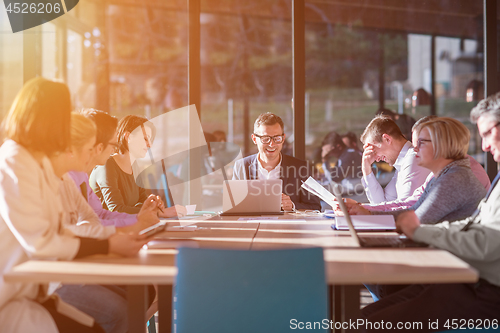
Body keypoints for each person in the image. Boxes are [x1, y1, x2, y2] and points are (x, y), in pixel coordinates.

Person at [0, 78, 149, 333]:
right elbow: (41, 242)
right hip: (12, 297)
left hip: (34, 291)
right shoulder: (14, 163)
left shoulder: (39, 164)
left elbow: (65, 229)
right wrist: (109, 244)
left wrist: (117, 237)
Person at [360, 93, 500, 332]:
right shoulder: (444, 176)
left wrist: (420, 230)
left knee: (365, 324)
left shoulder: (456, 178)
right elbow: (469, 226)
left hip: (481, 290)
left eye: (420, 143)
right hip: (464, 280)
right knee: (360, 320)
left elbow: (486, 242)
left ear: (441, 145)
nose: (413, 151)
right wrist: (368, 213)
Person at [49, 113, 159, 333]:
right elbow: (86, 225)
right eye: (97, 147)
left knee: (141, 293)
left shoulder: (74, 179)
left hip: (72, 263)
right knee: (123, 309)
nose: (108, 151)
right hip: (57, 275)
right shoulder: (65, 178)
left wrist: (138, 221)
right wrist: (132, 227)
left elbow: (94, 217)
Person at [344, 116, 490, 214]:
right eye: (415, 144)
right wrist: (363, 208)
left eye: (420, 143)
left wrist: (367, 210)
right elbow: (407, 204)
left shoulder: (457, 174)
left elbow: (412, 212)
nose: (414, 150)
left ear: (439, 142)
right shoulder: (437, 174)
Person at [69, 109, 164, 228]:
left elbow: (99, 215)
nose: (114, 150)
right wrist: (140, 220)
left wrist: (143, 215)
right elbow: (94, 221)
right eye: (113, 145)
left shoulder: (81, 176)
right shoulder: (71, 177)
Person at [90, 115, 186, 216]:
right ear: (128, 137)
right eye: (145, 138)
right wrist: (157, 212)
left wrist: (153, 205)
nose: (150, 145)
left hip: (128, 227)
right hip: (108, 229)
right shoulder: (106, 165)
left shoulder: (134, 166)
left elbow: (142, 202)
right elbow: (116, 209)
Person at [232, 112, 321, 211]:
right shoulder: (241, 166)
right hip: (252, 225)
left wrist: (293, 206)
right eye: (265, 138)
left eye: (277, 138)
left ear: (283, 139)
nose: (272, 144)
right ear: (254, 139)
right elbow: (233, 206)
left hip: (286, 226)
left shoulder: (301, 167)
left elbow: (316, 207)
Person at [360, 115, 430, 204]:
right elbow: (381, 202)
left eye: (374, 150)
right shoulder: (402, 163)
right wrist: (366, 169)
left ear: (387, 139)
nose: (376, 159)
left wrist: (361, 208)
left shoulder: (413, 158)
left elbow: (404, 207)